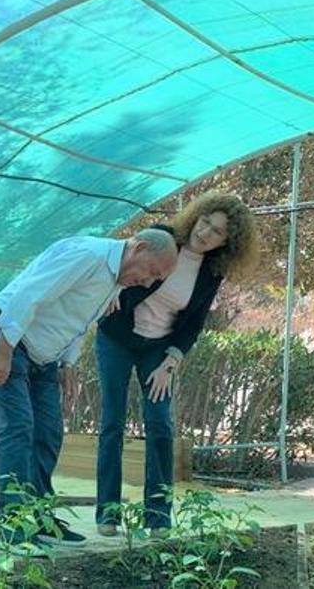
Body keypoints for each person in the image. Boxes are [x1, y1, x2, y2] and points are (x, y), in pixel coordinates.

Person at [0, 229, 178, 550]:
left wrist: (68, 364)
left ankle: (38, 516)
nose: (149, 282)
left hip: (45, 356)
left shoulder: (115, 281)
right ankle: (12, 525)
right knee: (18, 427)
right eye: (152, 272)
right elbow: (31, 293)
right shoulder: (88, 255)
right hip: (6, 336)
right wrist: (3, 349)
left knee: (50, 432)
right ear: (138, 248)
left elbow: (80, 322)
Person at [94, 194, 258, 535]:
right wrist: (107, 293)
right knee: (112, 423)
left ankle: (158, 517)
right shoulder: (161, 236)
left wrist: (172, 361)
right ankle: (108, 514)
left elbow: (193, 323)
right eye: (205, 223)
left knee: (161, 425)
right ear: (195, 217)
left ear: (227, 243)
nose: (205, 233)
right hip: (117, 339)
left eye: (217, 233)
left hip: (159, 348)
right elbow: (119, 264)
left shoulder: (212, 273)